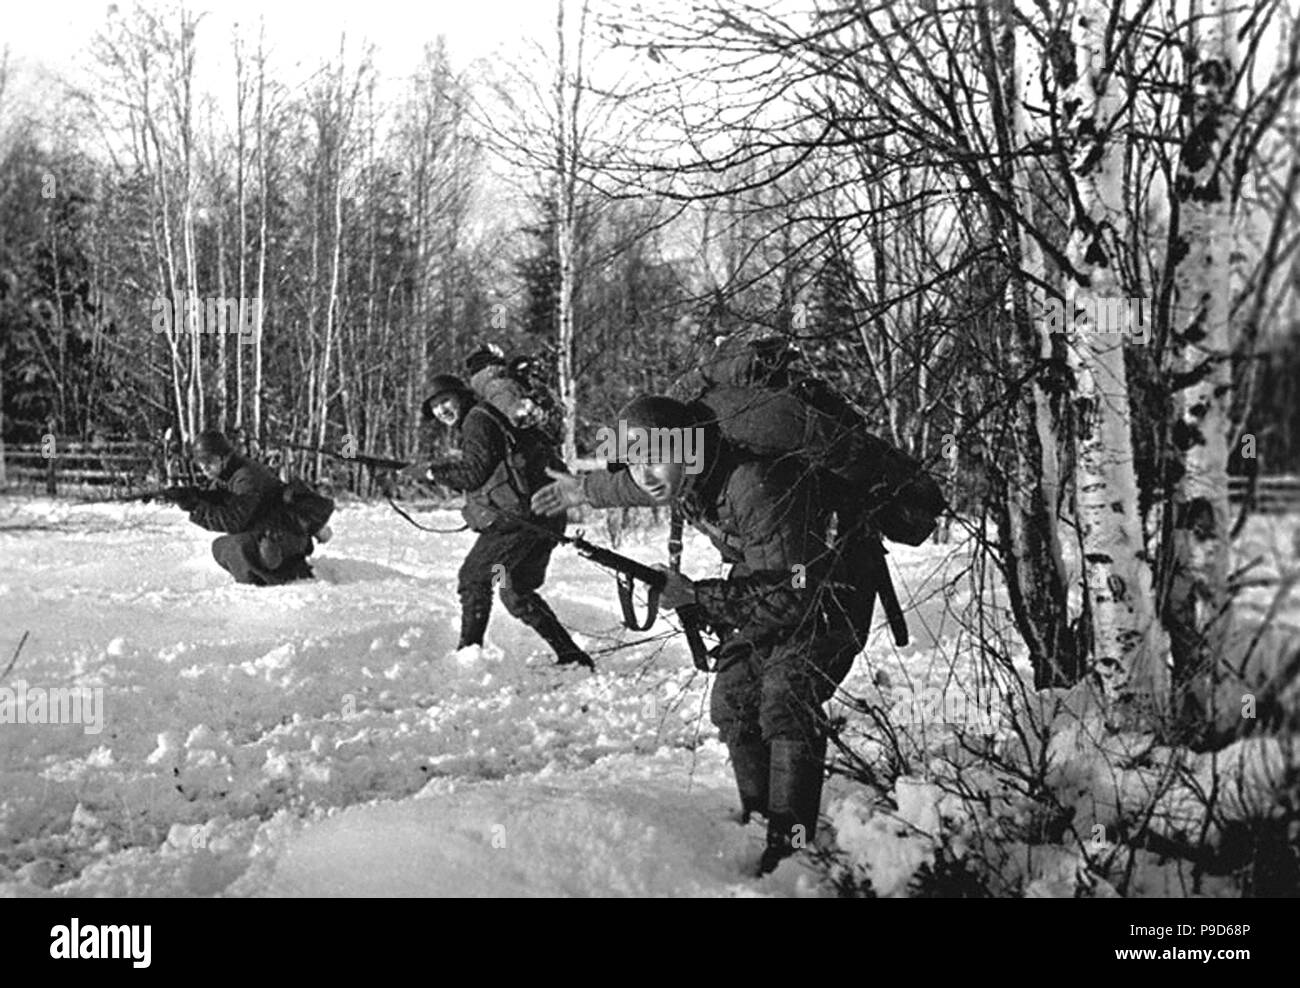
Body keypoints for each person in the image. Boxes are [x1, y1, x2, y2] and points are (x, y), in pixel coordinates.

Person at [531, 395, 877, 873]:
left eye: (656, 458)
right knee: (734, 697)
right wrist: (584, 491)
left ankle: (792, 851)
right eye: (635, 461)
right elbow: (640, 484)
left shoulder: (755, 485)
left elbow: (793, 596)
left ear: (688, 450)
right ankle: (759, 822)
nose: (646, 473)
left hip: (831, 590)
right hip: (768, 582)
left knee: (786, 694)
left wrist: (697, 596)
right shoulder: (686, 470)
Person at [408, 373, 594, 670]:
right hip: (544, 514)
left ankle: (468, 657)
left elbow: (474, 473)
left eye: (446, 400)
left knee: (473, 578)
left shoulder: (477, 420)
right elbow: (484, 465)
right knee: (516, 591)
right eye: (435, 406)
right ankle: (572, 656)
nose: (442, 410)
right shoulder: (486, 416)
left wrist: (432, 474)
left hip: (520, 520)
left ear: (460, 395)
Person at [186, 429, 315, 585]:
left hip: (288, 532)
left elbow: (234, 520)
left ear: (223, 457)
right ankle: (276, 564)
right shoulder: (226, 476)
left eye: (209, 462)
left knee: (236, 547)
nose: (204, 468)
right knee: (223, 547)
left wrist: (196, 509)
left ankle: (285, 570)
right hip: (275, 531)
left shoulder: (245, 477)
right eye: (200, 464)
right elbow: (218, 501)